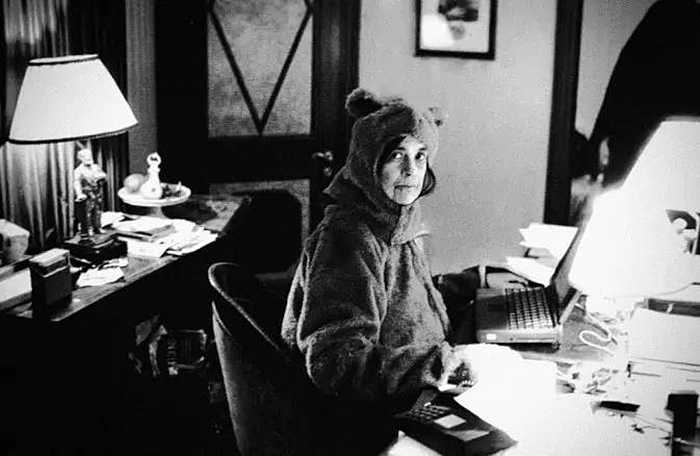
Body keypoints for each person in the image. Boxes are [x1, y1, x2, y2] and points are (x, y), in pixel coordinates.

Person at [281, 88, 520, 453]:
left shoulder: (393, 219)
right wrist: (436, 365)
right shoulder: (349, 238)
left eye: (420, 156)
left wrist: (477, 279)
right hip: (372, 423)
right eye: (397, 155)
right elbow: (335, 360)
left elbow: (407, 299)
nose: (411, 171)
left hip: (411, 394)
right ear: (368, 162)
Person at [74, 148, 107, 238]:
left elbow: (104, 175)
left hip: (97, 192)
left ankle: (98, 227)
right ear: (81, 158)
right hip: (87, 193)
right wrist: (79, 194)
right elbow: (76, 182)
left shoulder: (95, 167)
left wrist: (100, 176)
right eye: (85, 156)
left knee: (98, 211)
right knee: (87, 212)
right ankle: (89, 229)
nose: (88, 158)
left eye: (89, 155)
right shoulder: (78, 170)